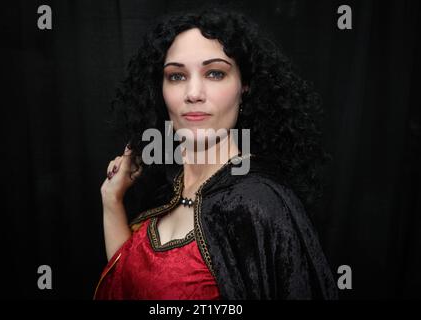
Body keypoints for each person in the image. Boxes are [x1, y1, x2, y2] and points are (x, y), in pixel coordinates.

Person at [94, 8, 338, 300]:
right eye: (176, 76)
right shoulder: (171, 189)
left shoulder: (257, 204)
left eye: (214, 73)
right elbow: (128, 284)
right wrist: (112, 200)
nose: (193, 93)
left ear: (244, 86)